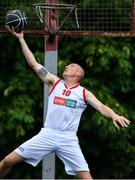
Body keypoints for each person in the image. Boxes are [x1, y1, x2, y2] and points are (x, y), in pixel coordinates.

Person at [0, 27, 130, 179]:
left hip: (68, 139)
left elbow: (101, 107)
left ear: (78, 74)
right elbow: (33, 64)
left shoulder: (83, 93)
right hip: (47, 134)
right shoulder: (54, 82)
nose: (67, 66)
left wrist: (114, 115)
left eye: (72, 66)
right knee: (6, 162)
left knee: (87, 178)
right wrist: (21, 38)